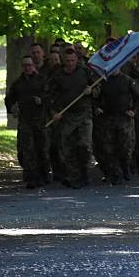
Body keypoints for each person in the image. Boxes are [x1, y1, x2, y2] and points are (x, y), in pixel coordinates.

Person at [49, 48, 95, 188]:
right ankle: (75, 176)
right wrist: (54, 112)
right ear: (63, 61)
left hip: (84, 114)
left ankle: (85, 172)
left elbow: (97, 87)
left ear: (77, 60)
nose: (70, 63)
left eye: (73, 60)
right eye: (67, 61)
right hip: (67, 116)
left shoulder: (85, 72)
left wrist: (91, 90)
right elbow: (50, 96)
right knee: (68, 148)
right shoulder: (57, 76)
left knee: (84, 145)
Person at [4, 55, 50, 188]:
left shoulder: (42, 80)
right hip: (25, 120)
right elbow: (9, 99)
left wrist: (41, 100)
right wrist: (12, 108)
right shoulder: (18, 83)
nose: (27, 68)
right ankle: (32, 177)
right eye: (25, 66)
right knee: (27, 150)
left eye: (29, 65)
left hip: (40, 120)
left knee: (41, 149)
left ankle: (44, 173)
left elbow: (50, 96)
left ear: (33, 66)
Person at [95, 68, 139, 184]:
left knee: (125, 147)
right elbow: (95, 97)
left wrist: (134, 110)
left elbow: (138, 97)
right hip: (107, 117)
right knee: (108, 148)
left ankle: (125, 166)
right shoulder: (102, 81)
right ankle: (115, 173)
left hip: (123, 118)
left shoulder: (127, 80)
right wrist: (97, 107)